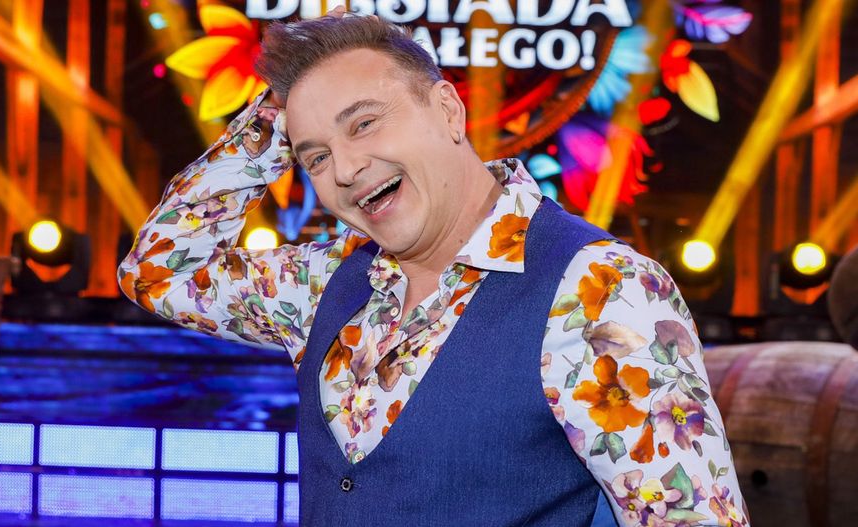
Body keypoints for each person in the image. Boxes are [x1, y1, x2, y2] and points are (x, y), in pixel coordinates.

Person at [119, 8, 748, 526]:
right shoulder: (323, 282)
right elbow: (157, 272)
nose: (345, 169)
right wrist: (266, 129)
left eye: (364, 123)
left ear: (448, 110)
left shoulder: (601, 289)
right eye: (315, 156)